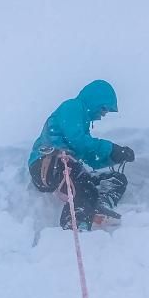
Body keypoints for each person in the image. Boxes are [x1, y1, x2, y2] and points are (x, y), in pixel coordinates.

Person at [28, 80, 135, 230]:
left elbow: (89, 157)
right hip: (45, 164)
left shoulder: (82, 122)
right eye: (104, 108)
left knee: (116, 179)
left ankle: (99, 205)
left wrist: (113, 157)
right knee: (83, 184)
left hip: (65, 168)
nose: (103, 114)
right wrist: (111, 148)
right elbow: (78, 141)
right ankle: (74, 223)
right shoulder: (72, 107)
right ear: (95, 100)